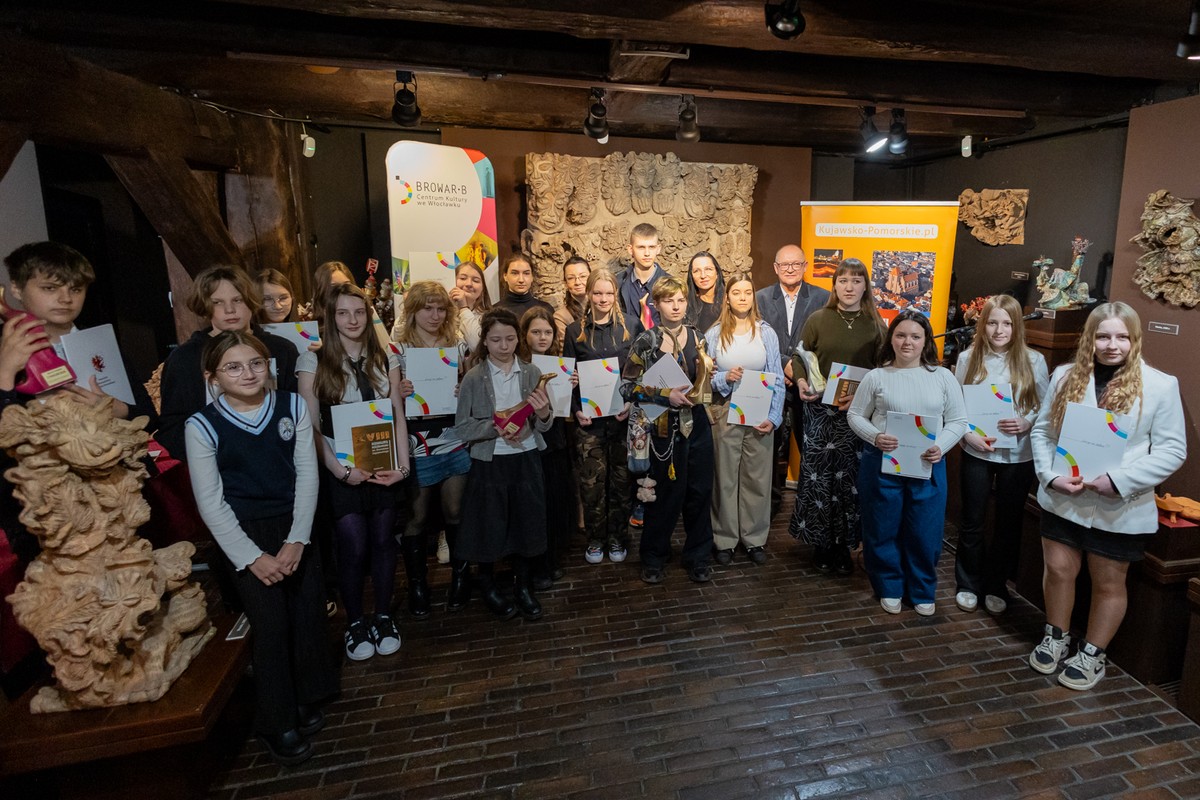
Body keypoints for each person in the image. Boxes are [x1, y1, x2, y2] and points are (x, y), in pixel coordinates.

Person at [185, 330, 336, 766]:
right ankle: (276, 720)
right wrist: (251, 557)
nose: (248, 373)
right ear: (213, 376)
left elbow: (308, 476)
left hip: (294, 525)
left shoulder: (291, 405)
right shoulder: (202, 426)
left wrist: (297, 539)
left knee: (306, 613)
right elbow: (210, 502)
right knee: (269, 627)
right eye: (234, 366)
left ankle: (307, 694)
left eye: (256, 363)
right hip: (243, 534)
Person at [1028, 302, 1185, 690]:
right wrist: (1049, 477)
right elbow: (1043, 432)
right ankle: (1056, 636)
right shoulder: (1066, 376)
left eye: (1121, 337)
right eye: (1102, 336)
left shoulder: (1161, 386)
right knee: (1060, 571)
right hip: (1065, 497)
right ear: (1089, 338)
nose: (1112, 345)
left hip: (1119, 507)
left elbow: (1172, 450)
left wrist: (1118, 480)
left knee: (1109, 584)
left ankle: (1093, 654)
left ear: (1134, 339)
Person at [297, 283, 411, 661]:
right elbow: (310, 426)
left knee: (382, 541)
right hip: (341, 468)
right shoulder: (312, 361)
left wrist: (402, 465)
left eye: (358, 312)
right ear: (330, 318)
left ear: (368, 315)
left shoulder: (387, 355)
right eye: (342, 313)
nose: (352, 320)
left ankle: (381, 616)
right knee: (353, 544)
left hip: (383, 465)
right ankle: (354, 622)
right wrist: (340, 471)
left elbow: (397, 412)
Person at [847, 310, 967, 615]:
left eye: (915, 336)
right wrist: (875, 437)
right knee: (882, 527)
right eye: (901, 335)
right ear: (892, 339)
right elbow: (855, 415)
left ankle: (922, 589)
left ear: (926, 340)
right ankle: (889, 585)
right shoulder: (876, 376)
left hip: (928, 464)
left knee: (924, 530)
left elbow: (958, 420)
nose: (907, 342)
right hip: (882, 463)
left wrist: (941, 446)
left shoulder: (943, 377)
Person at [455, 308, 554, 620]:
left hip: (525, 457)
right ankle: (489, 586)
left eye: (510, 338)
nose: (503, 345)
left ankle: (523, 586)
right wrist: (494, 428)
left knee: (527, 523)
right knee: (490, 525)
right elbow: (462, 427)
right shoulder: (473, 378)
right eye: (496, 339)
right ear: (484, 341)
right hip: (490, 461)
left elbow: (546, 424)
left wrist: (542, 414)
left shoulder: (531, 373)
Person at [789, 258, 886, 575]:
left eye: (856, 281)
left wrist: (862, 398)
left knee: (849, 482)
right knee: (819, 480)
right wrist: (801, 380)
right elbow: (800, 356)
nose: (849, 287)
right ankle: (821, 545)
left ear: (865, 287)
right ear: (835, 286)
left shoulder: (877, 324)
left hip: (857, 414)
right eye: (843, 280)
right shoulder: (818, 318)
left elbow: (885, 370)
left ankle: (845, 547)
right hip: (819, 411)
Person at [953, 294, 1049, 614]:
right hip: (977, 450)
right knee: (972, 520)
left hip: (1018, 455)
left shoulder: (1033, 360)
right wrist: (967, 434)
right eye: (992, 322)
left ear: (1016, 326)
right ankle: (968, 583)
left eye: (1006, 323)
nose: (999, 330)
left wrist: (1026, 421)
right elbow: (956, 406)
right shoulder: (968, 358)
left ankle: (996, 585)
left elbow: (1044, 407)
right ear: (983, 324)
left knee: (1008, 522)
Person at [621, 277, 715, 585]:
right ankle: (653, 556)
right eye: (668, 300)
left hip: (697, 423)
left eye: (681, 300)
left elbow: (705, 381)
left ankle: (698, 556)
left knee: (699, 492)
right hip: (664, 425)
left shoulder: (699, 337)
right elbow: (627, 385)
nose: (675, 306)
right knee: (664, 496)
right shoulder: (646, 340)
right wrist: (664, 395)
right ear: (656, 305)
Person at [0, 242, 158, 426]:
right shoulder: (4, 345)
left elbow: (151, 420)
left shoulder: (98, 342)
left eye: (75, 289)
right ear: (17, 289)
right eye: (50, 288)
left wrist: (117, 409)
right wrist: (5, 372)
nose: (66, 299)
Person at [158, 265, 299, 459]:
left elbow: (299, 415)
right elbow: (171, 428)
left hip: (280, 463)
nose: (230, 310)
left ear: (250, 300)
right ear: (205, 306)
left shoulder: (282, 350)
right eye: (217, 302)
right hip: (216, 470)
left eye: (237, 300)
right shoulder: (185, 358)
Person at [390, 281, 470, 616]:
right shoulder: (398, 348)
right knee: (417, 517)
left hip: (453, 436)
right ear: (413, 311)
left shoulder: (458, 344)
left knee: (455, 512)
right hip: (416, 441)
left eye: (440, 308)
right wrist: (403, 390)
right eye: (427, 308)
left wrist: (461, 388)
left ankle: (460, 580)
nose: (434, 315)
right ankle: (418, 585)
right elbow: (389, 400)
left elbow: (470, 385)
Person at [704, 273, 783, 565]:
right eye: (736, 292)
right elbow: (705, 380)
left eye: (747, 292)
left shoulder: (766, 333)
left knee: (757, 478)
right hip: (726, 410)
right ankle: (724, 539)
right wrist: (726, 377)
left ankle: (754, 539)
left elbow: (776, 378)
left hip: (760, 413)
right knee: (724, 477)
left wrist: (774, 417)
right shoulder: (714, 334)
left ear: (753, 297)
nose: (742, 298)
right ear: (727, 297)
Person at [562, 268, 638, 566]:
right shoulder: (574, 332)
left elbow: (638, 374)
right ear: (588, 294)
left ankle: (618, 537)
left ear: (615, 294)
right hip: (590, 425)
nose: (603, 298)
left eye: (609, 293)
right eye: (597, 293)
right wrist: (575, 409)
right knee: (592, 486)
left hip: (621, 422)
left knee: (621, 483)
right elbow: (567, 377)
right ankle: (595, 539)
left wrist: (631, 403)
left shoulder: (630, 327)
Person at [756, 244, 831, 517]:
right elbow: (758, 340)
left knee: (811, 447)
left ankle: (811, 507)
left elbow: (824, 343)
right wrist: (785, 365)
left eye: (795, 264)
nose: (789, 269)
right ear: (775, 268)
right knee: (768, 449)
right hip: (771, 384)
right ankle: (769, 506)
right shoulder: (760, 299)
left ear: (805, 266)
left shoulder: (824, 298)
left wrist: (796, 369)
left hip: (808, 386)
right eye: (784, 264)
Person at [519, 305, 575, 587]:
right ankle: (535, 562)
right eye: (536, 332)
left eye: (548, 332)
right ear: (524, 334)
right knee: (534, 505)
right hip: (527, 442)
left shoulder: (560, 363)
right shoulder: (517, 365)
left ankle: (552, 559)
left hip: (555, 440)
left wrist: (572, 385)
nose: (543, 337)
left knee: (555, 501)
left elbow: (565, 409)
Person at [617, 223, 668, 328]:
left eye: (651, 247)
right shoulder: (618, 283)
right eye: (641, 247)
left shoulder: (670, 284)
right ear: (631, 249)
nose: (647, 253)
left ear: (658, 249)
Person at [493, 254, 553, 319]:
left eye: (526, 273)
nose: (521, 280)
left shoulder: (546, 309)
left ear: (532, 277)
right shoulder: (494, 312)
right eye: (515, 273)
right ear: (505, 276)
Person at [449, 261, 491, 352]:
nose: (468, 284)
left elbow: (477, 346)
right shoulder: (440, 314)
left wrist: (463, 308)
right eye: (463, 278)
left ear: (483, 288)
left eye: (475, 280)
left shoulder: (489, 318)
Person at [553, 255, 591, 354]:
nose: (577, 282)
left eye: (583, 276)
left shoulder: (602, 306)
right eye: (571, 278)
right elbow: (564, 351)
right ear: (565, 283)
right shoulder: (561, 317)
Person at [685, 251, 725, 335]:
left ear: (717, 272)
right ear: (691, 275)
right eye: (697, 271)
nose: (703, 275)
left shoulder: (730, 303)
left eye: (708, 269)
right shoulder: (686, 306)